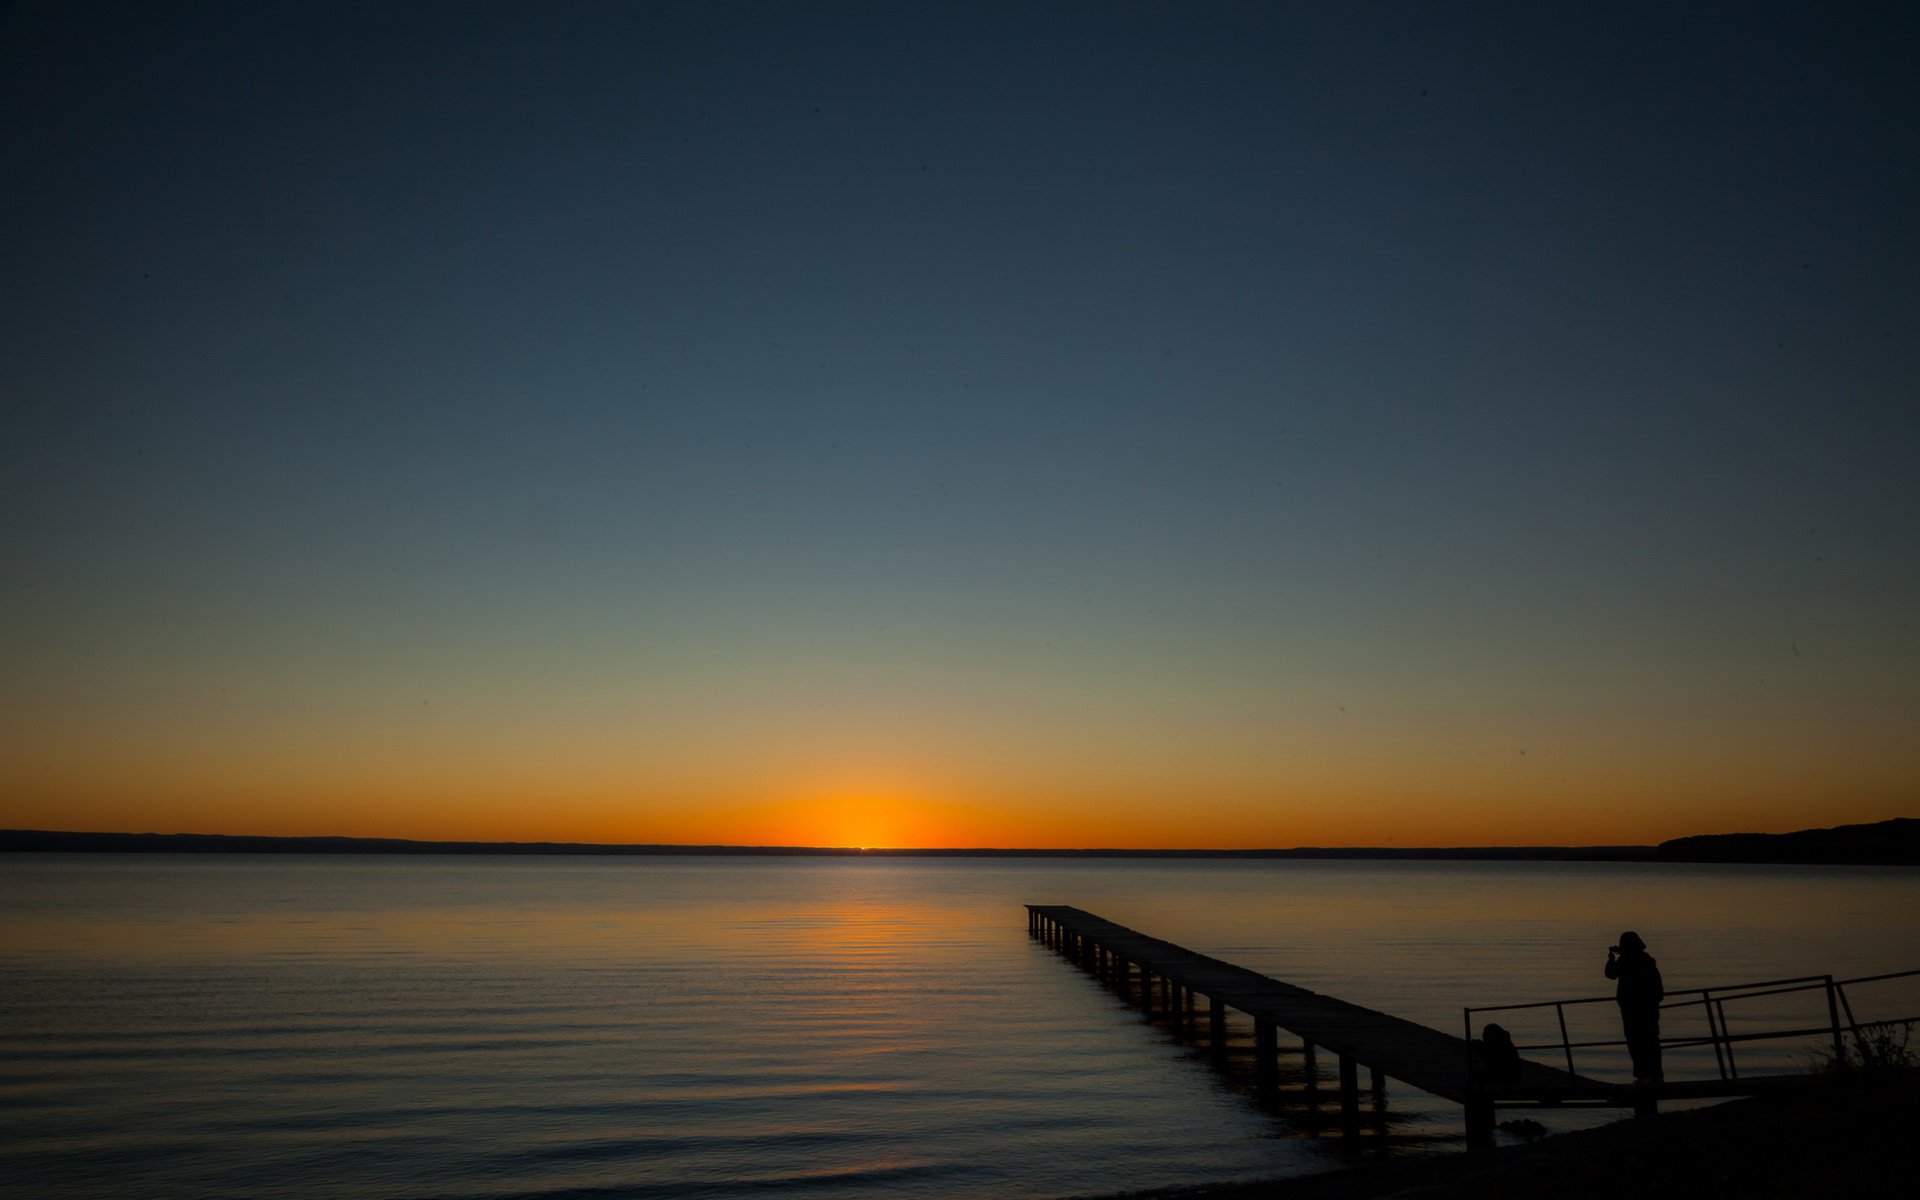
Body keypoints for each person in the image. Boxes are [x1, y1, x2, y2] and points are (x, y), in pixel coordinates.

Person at [1605, 931, 1664, 1082]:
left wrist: (1611, 959)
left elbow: (1611, 973)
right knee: (1651, 1040)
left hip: (1631, 1008)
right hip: (1649, 1008)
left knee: (1635, 1041)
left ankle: (1642, 1074)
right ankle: (1655, 1074)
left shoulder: (1626, 960)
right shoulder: (1646, 959)